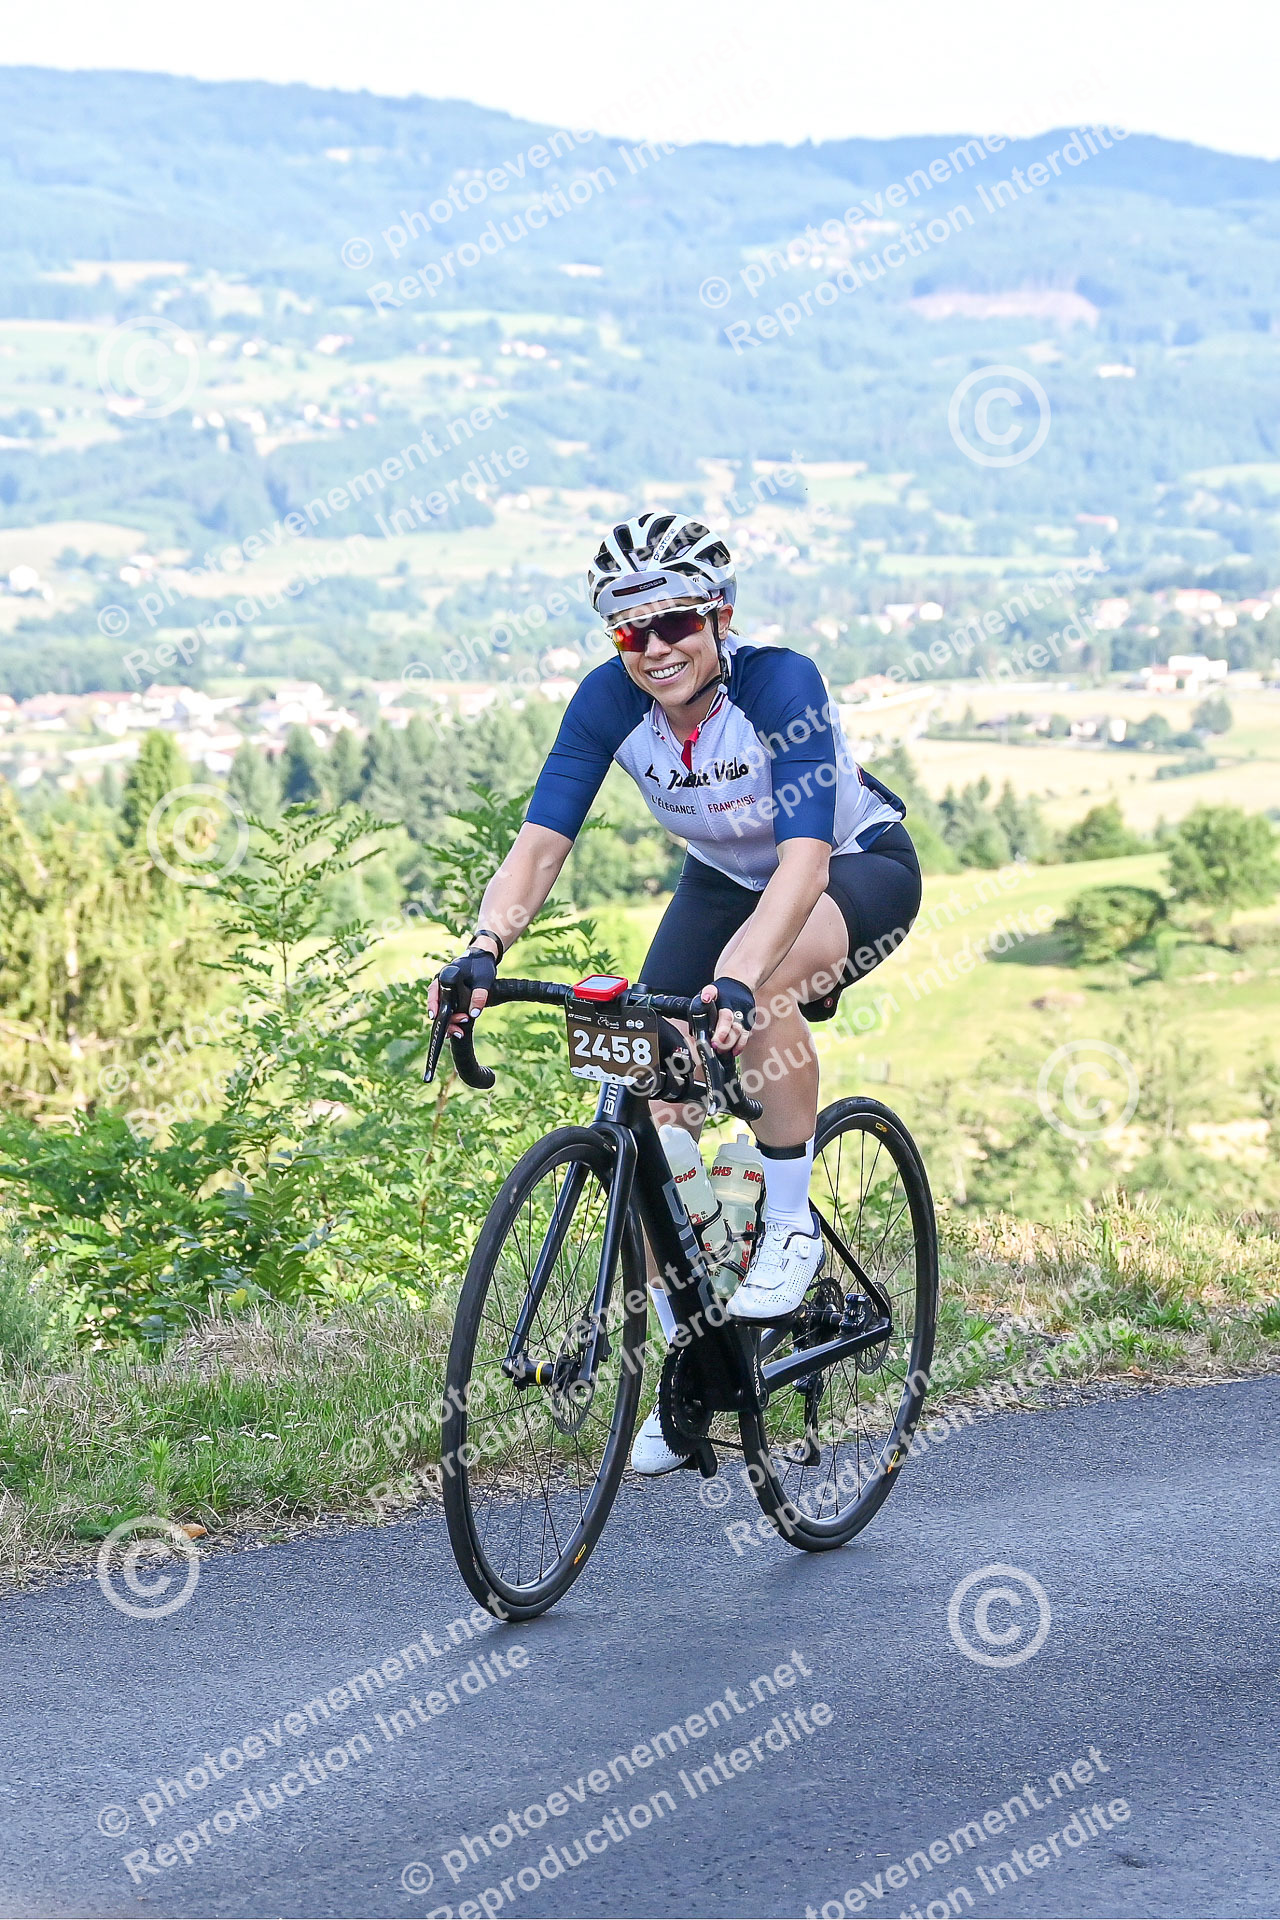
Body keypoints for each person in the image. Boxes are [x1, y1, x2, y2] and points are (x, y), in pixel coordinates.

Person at [428, 511, 922, 1474]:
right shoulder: (608, 700)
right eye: (630, 630)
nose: (654, 648)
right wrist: (483, 947)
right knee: (650, 1096)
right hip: (723, 880)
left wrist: (736, 978)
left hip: (848, 868)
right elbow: (540, 846)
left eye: (676, 623)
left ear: (720, 616)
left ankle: (789, 1224)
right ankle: (695, 1360)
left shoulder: (780, 684)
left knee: (759, 992)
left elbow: (802, 865)